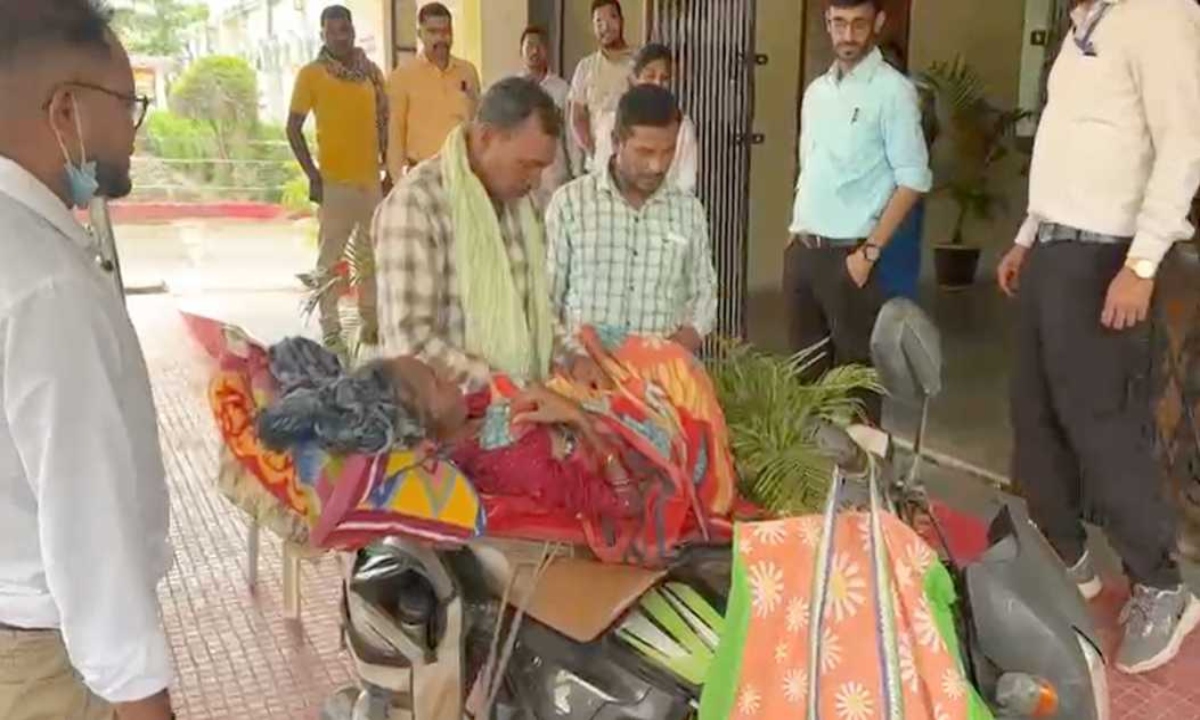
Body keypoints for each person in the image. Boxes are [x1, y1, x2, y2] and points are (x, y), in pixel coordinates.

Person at [996, 0, 1200, 675]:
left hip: (1108, 257)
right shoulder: (1084, 24)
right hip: (1054, 249)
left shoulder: (1159, 16)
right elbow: (1067, 146)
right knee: (1034, 418)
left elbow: (1183, 143)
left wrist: (1141, 264)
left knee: (1103, 428)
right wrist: (1029, 236)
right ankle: (1068, 563)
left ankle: (1163, 585)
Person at [0, 2, 174, 719]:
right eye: (127, 105)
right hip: (49, 667)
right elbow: (88, 527)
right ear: (65, 111)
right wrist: (144, 705)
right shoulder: (47, 285)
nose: (132, 135)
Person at [374, 77, 583, 389]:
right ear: (486, 138)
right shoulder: (417, 205)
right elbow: (409, 347)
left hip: (524, 407)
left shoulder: (523, 206)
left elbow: (536, 313)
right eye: (527, 165)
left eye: (543, 168)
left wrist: (575, 359)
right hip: (452, 423)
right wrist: (510, 388)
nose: (536, 182)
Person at [783, 0, 931, 423]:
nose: (848, 36)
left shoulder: (894, 92)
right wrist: (794, 237)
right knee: (805, 387)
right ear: (827, 23)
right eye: (839, 23)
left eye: (859, 24)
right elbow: (811, 169)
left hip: (852, 259)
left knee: (857, 389)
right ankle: (813, 486)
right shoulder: (817, 92)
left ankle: (862, 485)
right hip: (804, 255)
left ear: (878, 24)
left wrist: (868, 254)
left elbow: (913, 180)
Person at [547, 84, 718, 355]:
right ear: (616, 142)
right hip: (584, 376)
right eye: (645, 152)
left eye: (668, 151)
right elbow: (546, 301)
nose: (658, 165)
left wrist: (672, 354)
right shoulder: (570, 204)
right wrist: (571, 358)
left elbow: (703, 297)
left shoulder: (688, 211)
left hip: (660, 382)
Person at [288, 4, 388, 348]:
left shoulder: (371, 73)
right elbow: (293, 128)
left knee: (371, 256)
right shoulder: (312, 75)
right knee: (330, 262)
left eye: (344, 30)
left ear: (352, 31)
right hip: (334, 184)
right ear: (323, 35)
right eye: (332, 31)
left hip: (371, 182)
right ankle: (330, 328)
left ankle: (371, 321)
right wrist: (313, 176)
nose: (340, 37)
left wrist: (387, 169)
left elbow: (383, 123)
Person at [386, 2, 481, 179]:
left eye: (445, 32)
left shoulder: (467, 72)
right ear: (420, 34)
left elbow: (476, 122)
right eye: (432, 32)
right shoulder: (402, 76)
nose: (440, 39)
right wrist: (399, 180)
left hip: (461, 172)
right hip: (421, 175)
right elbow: (395, 135)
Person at [591, 43, 699, 195]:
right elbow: (601, 169)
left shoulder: (682, 126)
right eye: (650, 76)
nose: (657, 83)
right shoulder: (610, 121)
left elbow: (687, 181)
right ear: (634, 78)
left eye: (664, 78)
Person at [569, 0, 635, 171]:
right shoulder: (585, 67)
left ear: (621, 21)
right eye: (598, 21)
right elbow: (577, 117)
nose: (605, 26)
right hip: (596, 165)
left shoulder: (638, 63)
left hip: (632, 163)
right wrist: (593, 151)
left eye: (611, 18)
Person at [519, 25, 577, 209]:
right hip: (521, 171)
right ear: (521, 51)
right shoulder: (514, 89)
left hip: (554, 172)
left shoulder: (562, 89)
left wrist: (575, 171)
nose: (535, 51)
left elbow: (571, 133)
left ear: (548, 51)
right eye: (529, 46)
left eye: (540, 46)